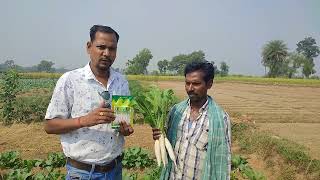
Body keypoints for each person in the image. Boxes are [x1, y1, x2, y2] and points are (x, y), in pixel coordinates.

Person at [44, 25, 134, 180]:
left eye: (112, 49)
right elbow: (50, 126)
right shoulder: (70, 80)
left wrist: (125, 129)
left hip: (115, 170)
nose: (106, 53)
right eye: (101, 47)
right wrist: (84, 120)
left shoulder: (121, 82)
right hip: (83, 173)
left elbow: (123, 124)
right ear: (89, 47)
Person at [153, 61, 231, 180]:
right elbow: (166, 140)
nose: (190, 88)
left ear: (209, 84)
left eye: (196, 83)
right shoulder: (176, 111)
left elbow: (222, 160)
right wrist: (159, 136)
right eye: (187, 83)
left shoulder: (220, 119)